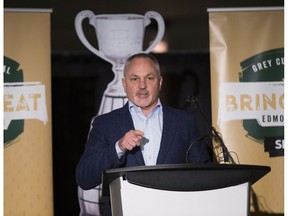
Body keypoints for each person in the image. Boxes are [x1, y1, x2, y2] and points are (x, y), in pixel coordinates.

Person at [76, 53, 211, 215]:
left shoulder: (185, 122)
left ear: (160, 82)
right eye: (134, 79)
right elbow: (84, 177)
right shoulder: (105, 124)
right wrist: (118, 148)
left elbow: (204, 177)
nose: (142, 85)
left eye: (149, 78)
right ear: (124, 84)